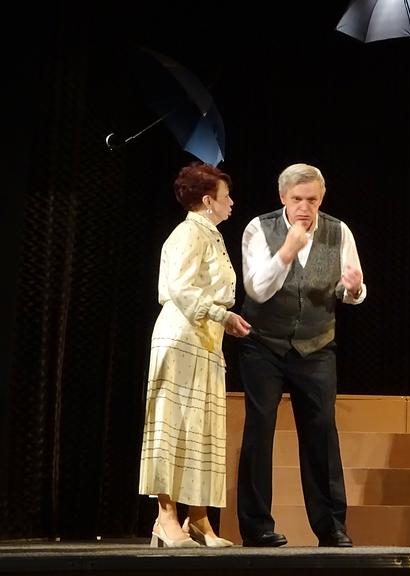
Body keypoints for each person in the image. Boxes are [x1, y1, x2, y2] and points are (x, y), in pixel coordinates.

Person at [236, 163, 366, 548]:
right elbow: (256, 290)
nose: (305, 208)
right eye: (297, 199)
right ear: (283, 198)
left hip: (316, 345)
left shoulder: (339, 231)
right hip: (264, 344)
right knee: (260, 429)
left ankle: (331, 526)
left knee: (321, 432)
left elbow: (349, 289)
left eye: (312, 200)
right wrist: (286, 253)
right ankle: (257, 526)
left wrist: (354, 290)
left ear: (321, 198)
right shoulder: (258, 229)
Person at [139, 162, 251, 548]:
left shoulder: (210, 235)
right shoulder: (188, 233)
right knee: (174, 423)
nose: (231, 203)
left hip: (205, 339)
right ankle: (165, 517)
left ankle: (199, 519)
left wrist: (221, 320)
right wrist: (222, 315)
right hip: (182, 335)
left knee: (203, 427)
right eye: (226, 197)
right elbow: (181, 287)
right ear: (208, 201)